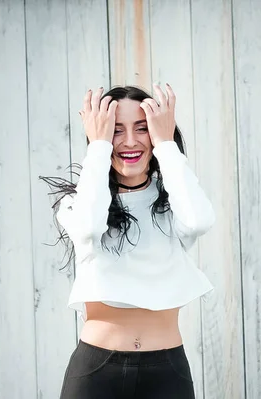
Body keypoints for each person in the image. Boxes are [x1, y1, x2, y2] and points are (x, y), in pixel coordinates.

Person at [42, 84, 215, 399]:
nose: (131, 141)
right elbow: (87, 229)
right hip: (97, 372)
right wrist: (98, 147)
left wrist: (165, 144)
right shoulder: (78, 203)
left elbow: (200, 220)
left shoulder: (176, 199)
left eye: (143, 128)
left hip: (167, 372)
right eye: (115, 130)